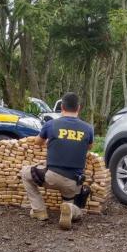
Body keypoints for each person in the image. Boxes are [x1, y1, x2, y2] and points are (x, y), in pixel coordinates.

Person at [20, 92, 94, 230]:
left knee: (25, 173)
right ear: (78, 108)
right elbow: (89, 146)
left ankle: (39, 211)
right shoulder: (88, 128)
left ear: (62, 107)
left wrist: (51, 140)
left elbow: (37, 142)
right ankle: (70, 210)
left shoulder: (51, 124)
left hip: (51, 177)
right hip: (74, 182)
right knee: (72, 205)